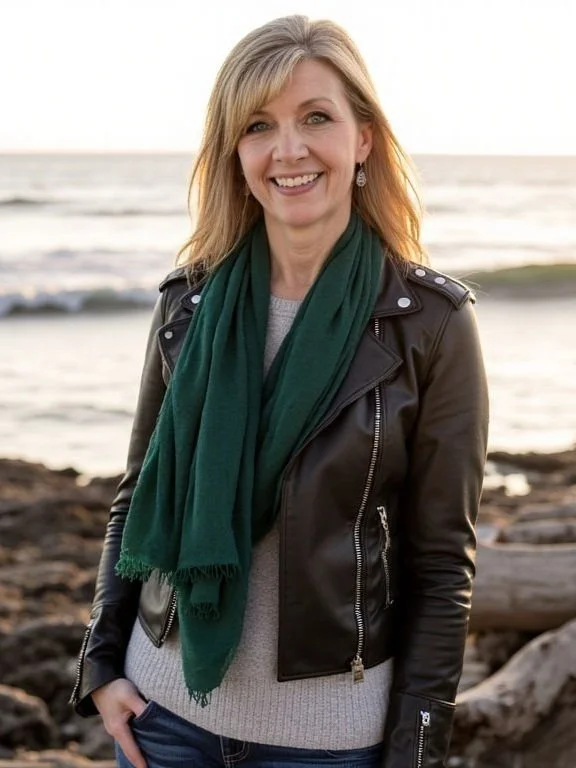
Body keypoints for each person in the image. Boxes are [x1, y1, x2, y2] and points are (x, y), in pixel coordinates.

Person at [70, 14, 489, 768]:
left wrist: (416, 752)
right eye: (258, 125)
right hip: (164, 719)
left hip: (329, 742)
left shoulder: (429, 324)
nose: (288, 149)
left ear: (364, 139)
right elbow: (135, 496)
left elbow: (440, 562)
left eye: (316, 118)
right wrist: (100, 665)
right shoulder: (189, 305)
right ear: (236, 154)